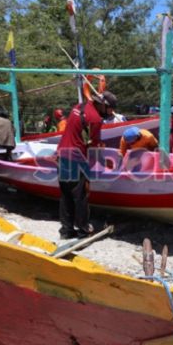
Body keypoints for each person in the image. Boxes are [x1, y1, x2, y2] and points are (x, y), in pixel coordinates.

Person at [57, 90, 117, 240]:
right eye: (110, 109)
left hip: (62, 154)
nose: (110, 112)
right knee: (80, 196)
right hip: (76, 159)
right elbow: (94, 146)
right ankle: (83, 231)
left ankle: (66, 231)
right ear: (104, 105)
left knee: (66, 195)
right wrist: (105, 160)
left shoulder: (79, 106)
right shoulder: (95, 119)